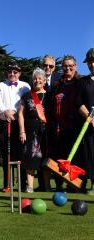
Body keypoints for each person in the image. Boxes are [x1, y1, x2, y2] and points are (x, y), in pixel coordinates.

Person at [0, 61, 31, 192]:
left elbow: (28, 103)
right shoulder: (0, 85)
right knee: (6, 155)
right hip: (5, 123)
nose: (12, 74)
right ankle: (7, 184)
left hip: (20, 124)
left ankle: (22, 184)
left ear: (19, 73)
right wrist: (5, 111)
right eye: (10, 72)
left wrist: (16, 114)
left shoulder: (25, 86)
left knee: (20, 154)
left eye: (15, 72)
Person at [50, 55, 83, 191]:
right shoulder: (58, 85)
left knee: (76, 158)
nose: (68, 68)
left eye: (71, 66)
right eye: (65, 66)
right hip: (60, 127)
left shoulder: (81, 82)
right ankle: (59, 184)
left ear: (75, 66)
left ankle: (75, 185)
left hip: (77, 127)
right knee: (60, 157)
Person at [18, 68, 51, 193]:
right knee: (30, 158)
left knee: (46, 159)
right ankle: (30, 186)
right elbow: (20, 114)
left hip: (46, 132)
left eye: (40, 78)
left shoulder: (49, 95)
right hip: (30, 132)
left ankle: (47, 186)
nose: (37, 80)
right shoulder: (26, 96)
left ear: (44, 81)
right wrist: (22, 131)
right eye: (35, 78)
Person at [76, 48, 94, 194]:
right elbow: (79, 102)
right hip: (88, 124)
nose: (92, 64)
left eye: (93, 61)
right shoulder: (83, 82)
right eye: (89, 62)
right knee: (90, 153)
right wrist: (89, 116)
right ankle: (92, 183)